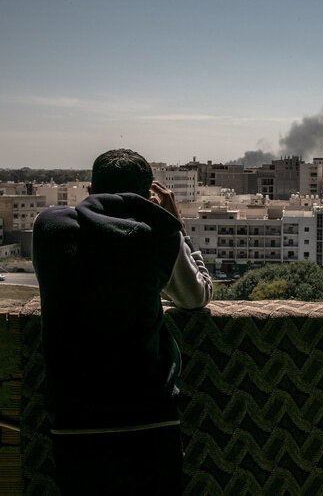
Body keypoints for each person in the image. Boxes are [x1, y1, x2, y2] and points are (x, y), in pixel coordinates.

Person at [33, 149, 213, 495]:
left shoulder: (49, 227)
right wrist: (179, 228)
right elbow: (197, 296)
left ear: (89, 188)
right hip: (148, 415)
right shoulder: (159, 233)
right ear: (149, 196)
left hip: (73, 417)